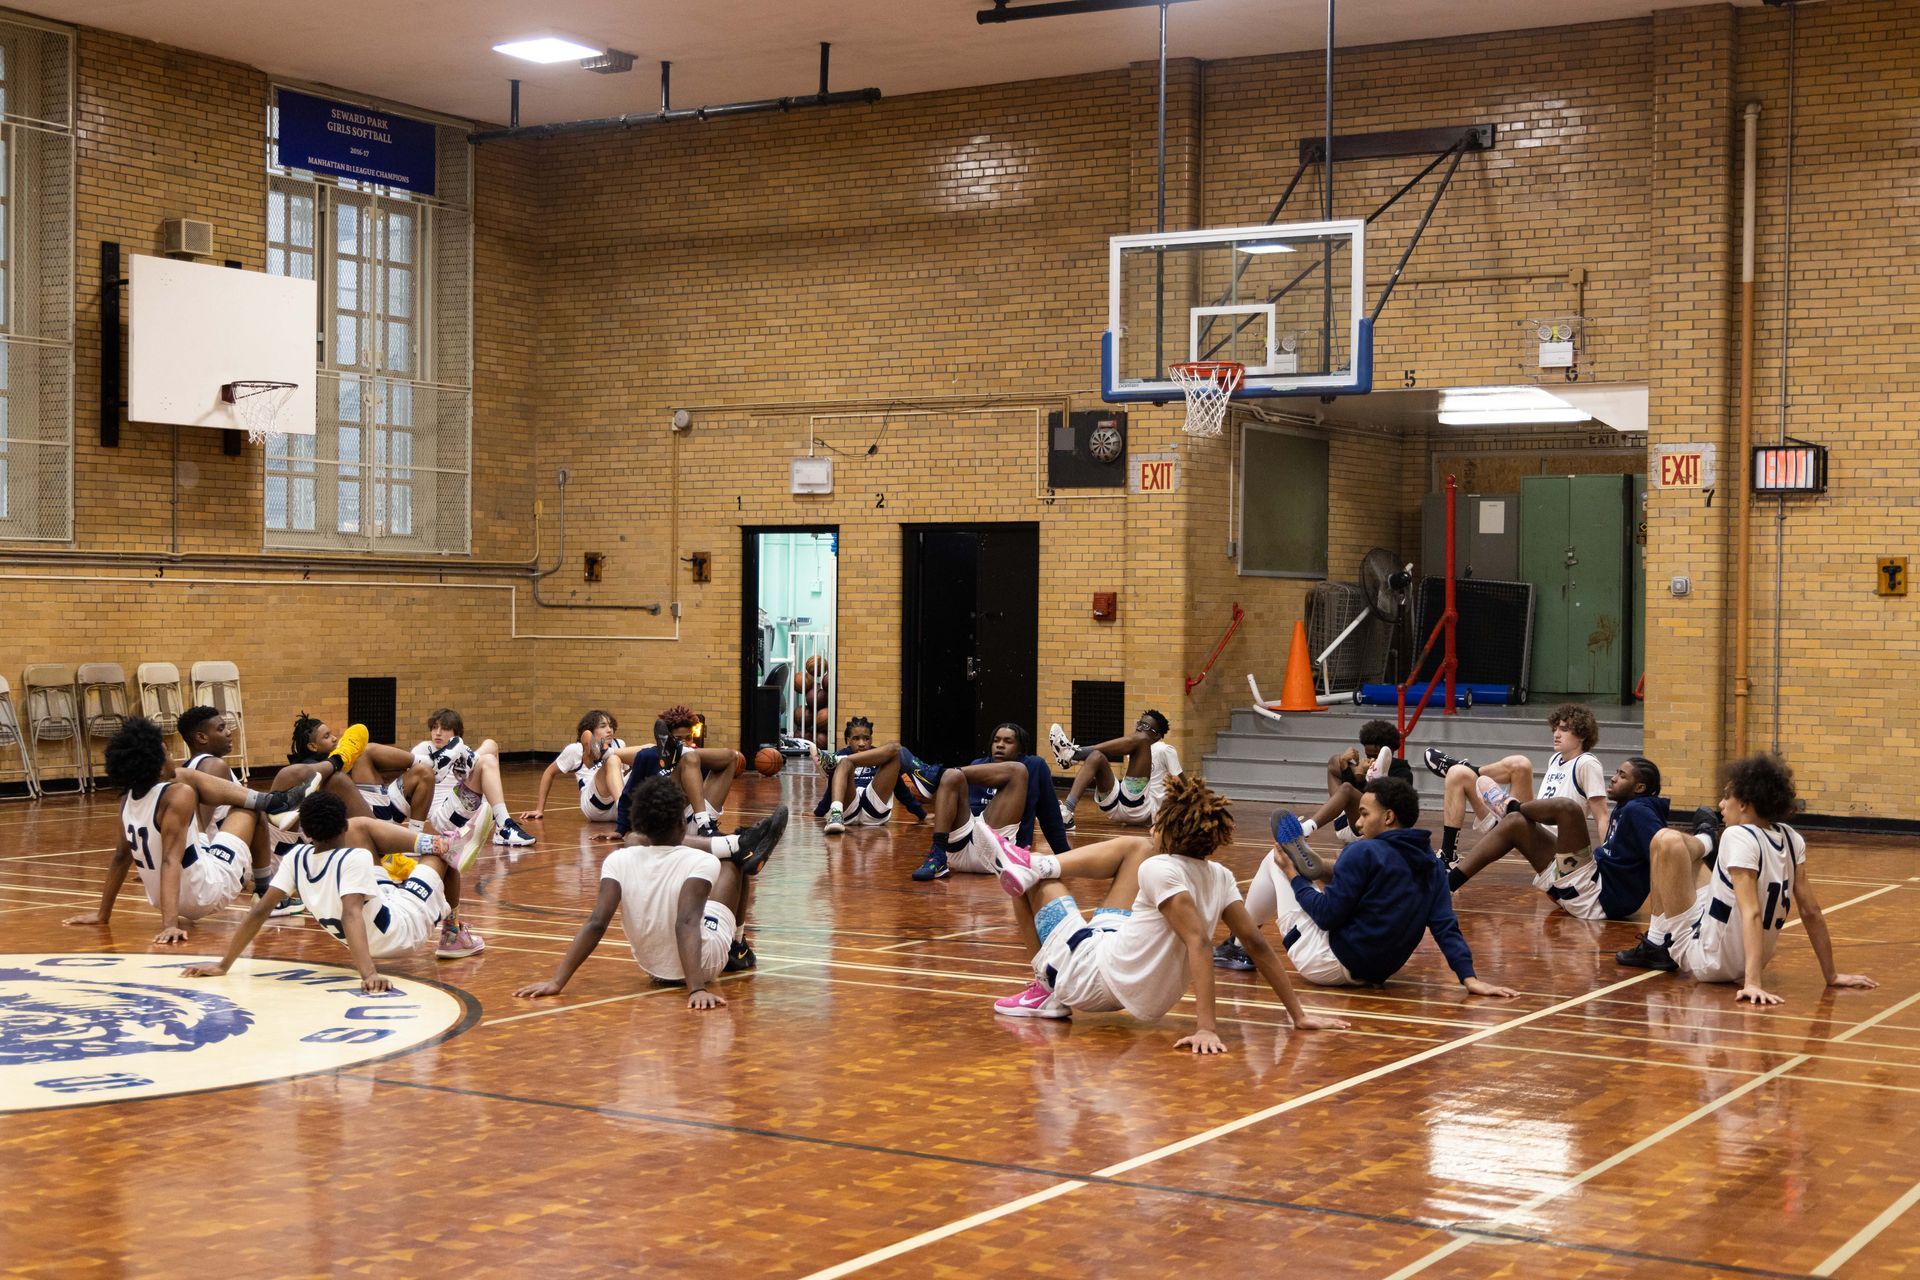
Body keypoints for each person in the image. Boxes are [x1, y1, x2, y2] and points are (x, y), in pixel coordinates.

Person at [988, 772, 1348, 1051]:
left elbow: (1199, 943)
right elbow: (1257, 944)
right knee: (1137, 848)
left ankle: (1043, 987)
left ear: (1171, 830)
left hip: (1090, 978)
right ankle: (1037, 866)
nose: (1152, 827)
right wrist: (1297, 1014)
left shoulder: (1159, 870)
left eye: (1157, 822)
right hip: (1115, 957)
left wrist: (1206, 1026)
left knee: (1022, 878)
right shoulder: (1220, 876)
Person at [61, 717, 354, 944]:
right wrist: (170, 925)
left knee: (188, 779)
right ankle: (267, 869)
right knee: (251, 811)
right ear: (153, 761)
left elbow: (119, 859)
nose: (172, 756)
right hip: (204, 892)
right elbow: (169, 861)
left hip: (164, 896)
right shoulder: (177, 795)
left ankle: (276, 801)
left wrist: (103, 914)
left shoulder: (127, 800)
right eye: (166, 752)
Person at [1615, 754, 1876, 1005]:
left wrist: (1752, 983)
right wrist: (1831, 975)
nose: (1720, 805)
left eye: (1726, 796)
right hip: (1743, 950)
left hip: (1709, 959)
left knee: (1665, 840)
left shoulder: (1737, 835)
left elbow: (1751, 911)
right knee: (1678, 845)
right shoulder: (1791, 837)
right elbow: (1812, 911)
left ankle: (1657, 943)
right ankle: (1705, 840)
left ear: (1743, 805)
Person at [513, 776, 789, 1007]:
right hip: (702, 966)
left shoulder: (617, 860)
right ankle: (736, 945)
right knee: (736, 863)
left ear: (640, 825)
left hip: (653, 966)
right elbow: (687, 922)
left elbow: (596, 923)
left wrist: (557, 980)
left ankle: (735, 845)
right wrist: (696, 989)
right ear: (682, 825)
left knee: (679, 889)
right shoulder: (701, 861)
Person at [184, 789, 495, 992]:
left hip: (374, 920)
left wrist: (223, 964)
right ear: (340, 828)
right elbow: (351, 913)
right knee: (445, 858)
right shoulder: (356, 858)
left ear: (304, 831)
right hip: (400, 929)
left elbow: (259, 911)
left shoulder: (296, 858)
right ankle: (453, 932)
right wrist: (368, 973)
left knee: (363, 826)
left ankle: (443, 843)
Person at [1239, 776, 1518, 997]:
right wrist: (1469, 978)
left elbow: (1325, 917)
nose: (1358, 823)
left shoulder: (1362, 852)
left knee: (1275, 861)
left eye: (1363, 814)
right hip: (1374, 972)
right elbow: (1445, 926)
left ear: (1388, 817)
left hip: (1325, 962)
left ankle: (1238, 944)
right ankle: (1322, 873)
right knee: (1345, 885)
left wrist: (1294, 876)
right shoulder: (1432, 865)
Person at [1447, 756, 1673, 923]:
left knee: (1568, 809)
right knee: (1515, 823)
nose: (1613, 778)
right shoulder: (1629, 807)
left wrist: (1667, 920)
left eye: (1622, 776)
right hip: (1588, 886)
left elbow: (1663, 852)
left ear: (1640, 787)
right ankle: (1445, 884)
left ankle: (1509, 806)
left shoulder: (1639, 810)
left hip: (1596, 896)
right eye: (1616, 772)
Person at [1424, 702, 1608, 869]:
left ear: (1582, 734)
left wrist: (1609, 858)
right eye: (1555, 729)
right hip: (1531, 827)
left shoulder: (1587, 764)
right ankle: (1448, 856)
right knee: (1460, 774)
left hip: (1552, 844)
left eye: (1564, 730)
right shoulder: (1556, 759)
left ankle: (1471, 770)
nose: (1556, 734)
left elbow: (1602, 816)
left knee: (1518, 762)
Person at [912, 723, 1070, 882]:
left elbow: (1050, 817)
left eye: (1008, 741)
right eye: (996, 741)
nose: (1000, 745)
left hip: (1001, 856)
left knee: (1018, 770)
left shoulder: (1035, 766)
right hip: (960, 851)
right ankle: (937, 856)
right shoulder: (978, 765)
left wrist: (1066, 857)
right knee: (952, 776)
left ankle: (936, 774)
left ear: (1020, 748)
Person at [610, 705, 742, 843]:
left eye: (689, 738)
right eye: (678, 739)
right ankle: (704, 823)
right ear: (664, 739)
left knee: (731, 757)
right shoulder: (647, 756)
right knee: (690, 758)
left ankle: (705, 824)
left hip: (697, 819)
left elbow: (729, 758)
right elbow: (629, 793)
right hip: (669, 821)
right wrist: (620, 829)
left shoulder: (695, 757)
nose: (685, 742)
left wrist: (683, 750)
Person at [413, 707, 536, 846]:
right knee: (487, 759)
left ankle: (471, 762)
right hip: (446, 818)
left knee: (491, 745)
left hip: (471, 815)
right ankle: (503, 826)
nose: (438, 733)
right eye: (434, 728)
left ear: (456, 734)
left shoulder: (462, 749)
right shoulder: (424, 749)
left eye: (445, 728)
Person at [288, 710, 436, 824]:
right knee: (364, 751)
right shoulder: (308, 766)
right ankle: (433, 760)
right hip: (366, 825)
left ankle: (414, 837)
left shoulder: (338, 755)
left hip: (384, 812)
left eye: (331, 734)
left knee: (424, 772)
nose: (334, 738)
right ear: (313, 746)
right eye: (326, 737)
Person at [1049, 710, 1180, 830]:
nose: (1139, 727)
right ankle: (1067, 811)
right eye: (1140, 723)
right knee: (1096, 756)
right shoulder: (1137, 747)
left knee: (1142, 739)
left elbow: (1181, 781)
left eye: (1145, 726)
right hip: (1116, 806)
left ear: (1157, 736)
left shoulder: (1165, 749)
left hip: (1142, 809)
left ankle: (1074, 754)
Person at [812, 716, 933, 833]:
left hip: (874, 807)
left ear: (871, 739)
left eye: (866, 738)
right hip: (849, 807)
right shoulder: (841, 755)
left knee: (895, 749)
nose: (862, 743)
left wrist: (922, 814)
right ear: (848, 740)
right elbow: (832, 790)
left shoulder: (881, 755)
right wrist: (818, 812)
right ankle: (836, 815)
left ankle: (923, 774)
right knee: (844, 762)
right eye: (856, 738)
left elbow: (901, 790)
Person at [522, 709, 632, 825]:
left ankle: (627, 808)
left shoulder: (619, 744)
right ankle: (623, 807)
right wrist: (539, 809)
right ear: (590, 730)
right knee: (613, 759)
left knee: (648, 756)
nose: (609, 730)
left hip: (617, 803)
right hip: (595, 805)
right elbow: (549, 772)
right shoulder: (575, 749)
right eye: (603, 726)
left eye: (611, 726)